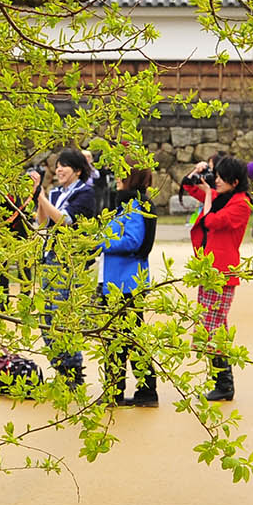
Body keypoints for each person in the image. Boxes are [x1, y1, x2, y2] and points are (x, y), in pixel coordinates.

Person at [182, 156, 252, 403]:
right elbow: (190, 186)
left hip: (221, 273)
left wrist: (209, 196)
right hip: (209, 270)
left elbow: (211, 221)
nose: (216, 180)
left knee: (212, 326)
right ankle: (221, 383)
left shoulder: (241, 204)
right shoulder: (225, 197)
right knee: (212, 325)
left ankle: (224, 384)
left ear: (234, 181)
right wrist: (197, 171)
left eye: (221, 177)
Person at [31, 148, 102, 387]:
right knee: (47, 316)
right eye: (58, 166)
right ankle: (59, 368)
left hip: (69, 261)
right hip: (50, 258)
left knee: (64, 316)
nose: (59, 170)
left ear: (78, 170)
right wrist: (38, 196)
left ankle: (73, 370)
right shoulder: (56, 194)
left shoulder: (86, 193)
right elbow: (43, 222)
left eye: (65, 166)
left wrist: (40, 196)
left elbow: (64, 220)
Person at [99, 166, 158, 406]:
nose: (116, 179)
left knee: (127, 339)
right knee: (120, 339)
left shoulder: (134, 206)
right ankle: (118, 390)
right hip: (118, 279)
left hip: (126, 282)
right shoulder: (126, 205)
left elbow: (133, 240)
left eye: (121, 174)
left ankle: (140, 389)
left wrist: (102, 242)